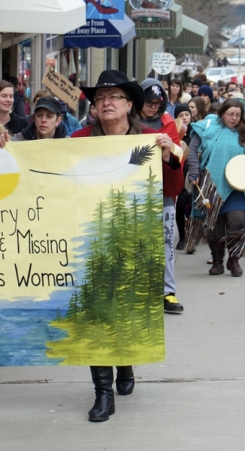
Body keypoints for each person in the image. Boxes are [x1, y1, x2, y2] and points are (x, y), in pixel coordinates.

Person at [73, 70, 181, 422]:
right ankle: (102, 392)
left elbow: (173, 187)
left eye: (114, 97)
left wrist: (169, 156)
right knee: (96, 313)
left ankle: (126, 362)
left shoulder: (151, 138)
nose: (106, 102)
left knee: (128, 309)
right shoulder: (78, 139)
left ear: (129, 104)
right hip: (90, 239)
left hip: (138, 239)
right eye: (100, 97)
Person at [186, 99, 245, 276]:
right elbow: (193, 150)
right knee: (215, 227)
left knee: (238, 220)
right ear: (222, 113)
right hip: (213, 185)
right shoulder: (208, 126)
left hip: (237, 186)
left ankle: (233, 260)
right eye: (230, 114)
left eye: (238, 115)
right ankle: (217, 261)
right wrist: (194, 173)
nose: (234, 118)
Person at [139, 78, 185, 314]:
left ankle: (168, 291)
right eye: (148, 101)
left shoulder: (168, 123)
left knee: (168, 238)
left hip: (163, 190)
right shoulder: (127, 122)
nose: (153, 106)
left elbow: (178, 157)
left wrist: (168, 154)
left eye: (157, 102)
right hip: (134, 189)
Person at [174, 104, 194, 251]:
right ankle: (182, 237)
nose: (184, 117)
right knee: (180, 207)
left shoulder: (196, 132)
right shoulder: (174, 133)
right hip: (179, 174)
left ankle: (192, 236)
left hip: (193, 174)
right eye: (181, 115)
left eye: (186, 114)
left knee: (192, 207)